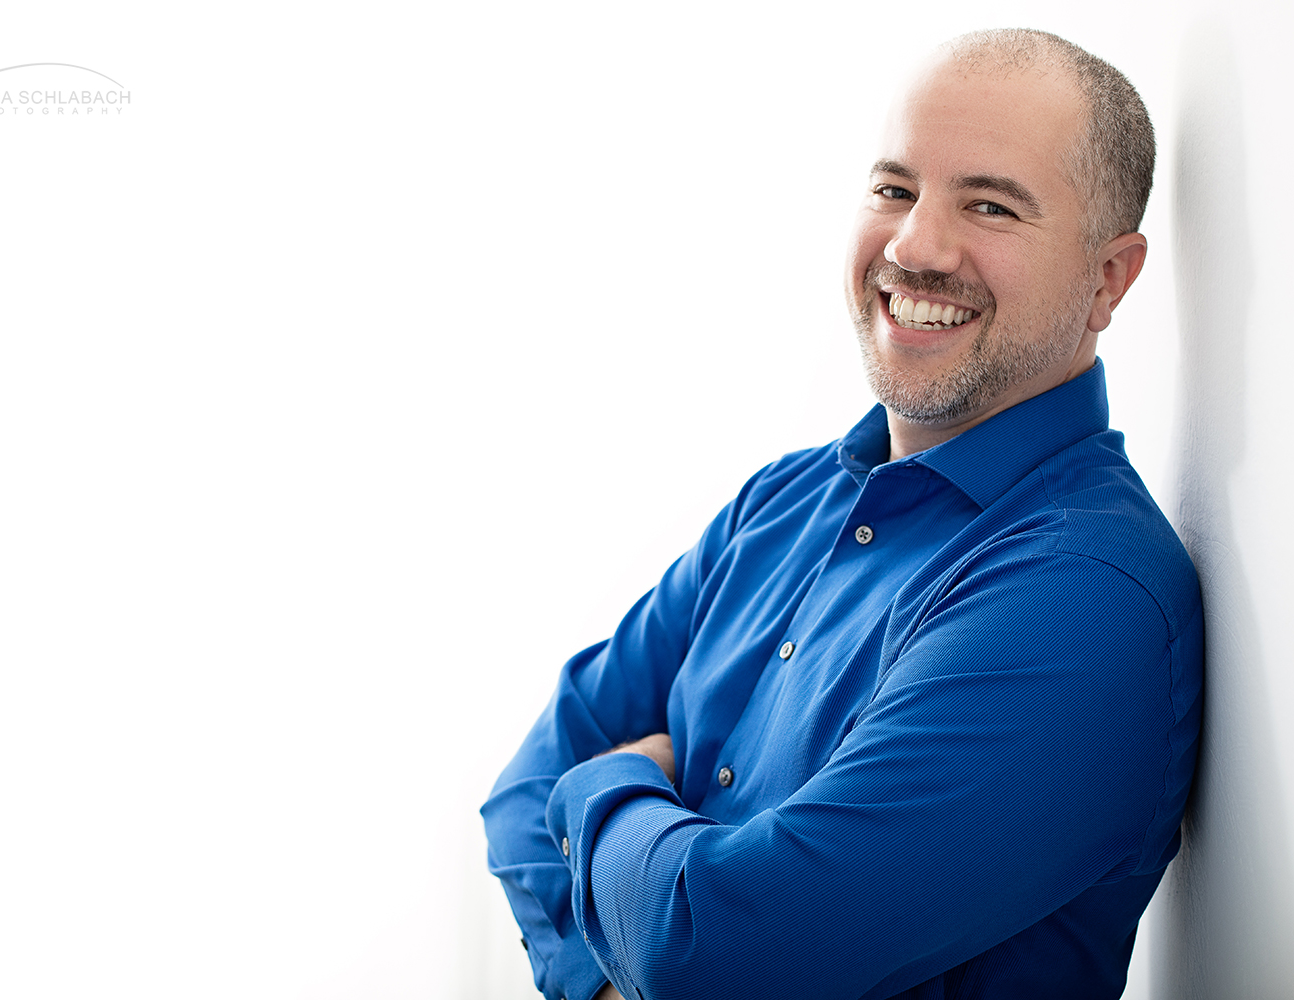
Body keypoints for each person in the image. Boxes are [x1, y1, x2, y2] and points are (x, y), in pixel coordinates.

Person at [481, 28, 1202, 1000]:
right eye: (895, 189)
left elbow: (722, 955)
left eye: (989, 204)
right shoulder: (780, 503)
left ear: (1110, 277)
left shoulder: (1083, 596)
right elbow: (526, 779)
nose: (916, 246)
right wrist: (601, 976)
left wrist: (608, 786)